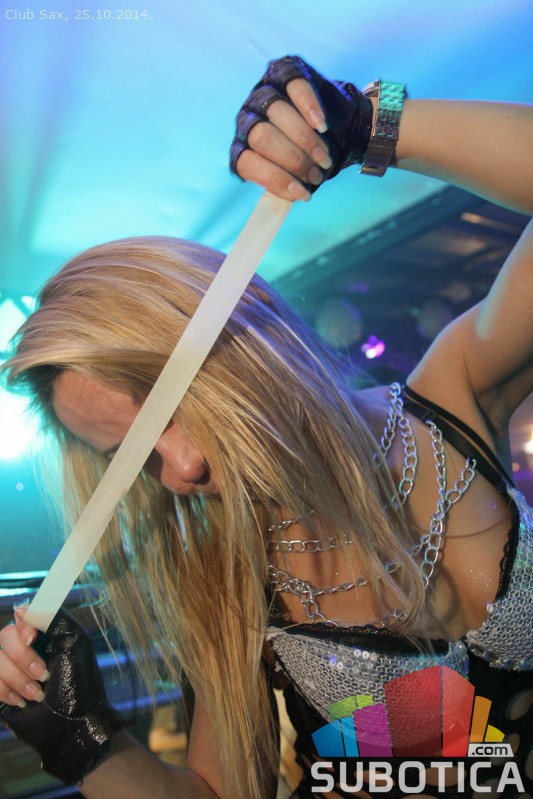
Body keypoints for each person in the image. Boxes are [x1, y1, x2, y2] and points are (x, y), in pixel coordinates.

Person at [0, 55, 531, 799]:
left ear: (236, 343)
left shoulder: (454, 398)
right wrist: (84, 744)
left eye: (171, 408)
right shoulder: (229, 579)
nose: (181, 468)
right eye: (135, 457)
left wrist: (368, 124)